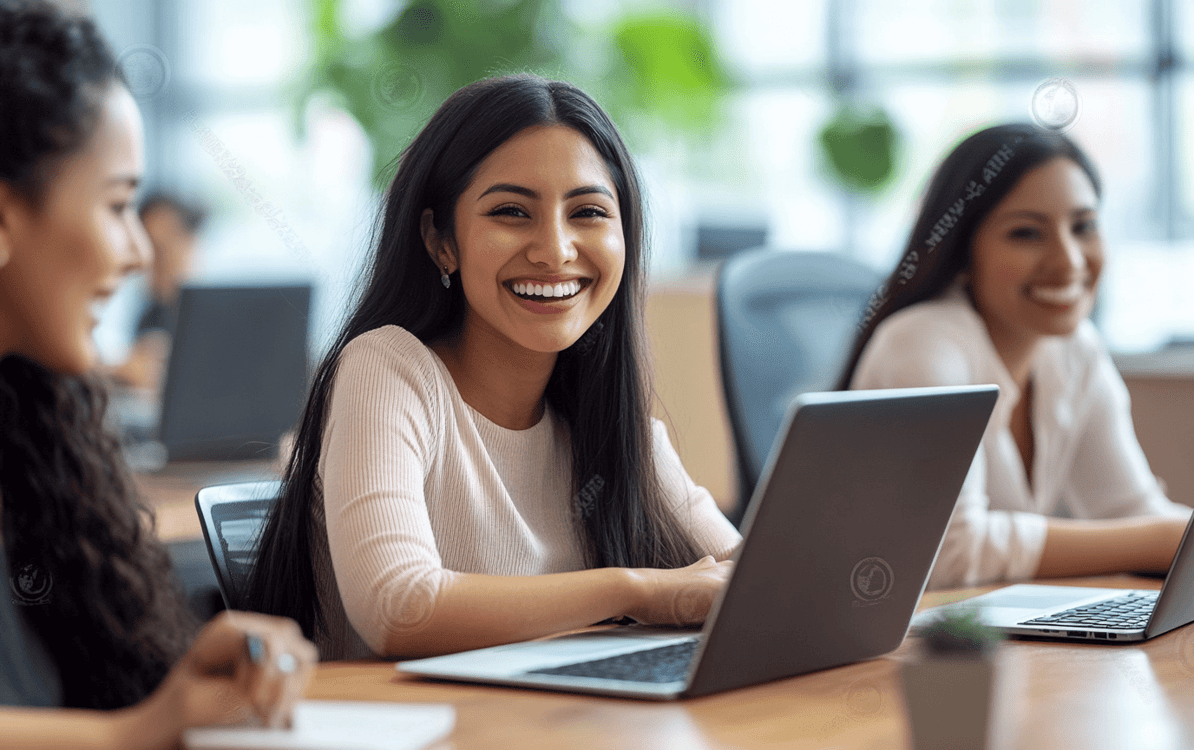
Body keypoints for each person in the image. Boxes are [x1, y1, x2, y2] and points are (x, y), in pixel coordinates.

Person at [246, 73, 740, 660]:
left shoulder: (611, 419)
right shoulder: (388, 370)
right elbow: (399, 607)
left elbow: (756, 576)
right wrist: (638, 590)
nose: (555, 249)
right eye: (511, 212)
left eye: (587, 212)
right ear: (440, 241)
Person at [0, 3, 315, 747]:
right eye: (117, 206)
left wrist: (170, 677)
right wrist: (134, 731)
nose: (139, 252)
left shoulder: (32, 424)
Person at [837, 123, 1192, 589]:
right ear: (961, 254)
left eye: (1084, 226)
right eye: (1026, 233)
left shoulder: (1075, 348)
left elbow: (1132, 511)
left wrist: (1169, 537)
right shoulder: (922, 344)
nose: (1068, 260)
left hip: (982, 630)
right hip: (889, 642)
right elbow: (945, 553)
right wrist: (1158, 540)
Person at [108, 191, 206, 390]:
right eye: (153, 246)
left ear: (193, 242)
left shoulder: (216, 314)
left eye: (166, 246)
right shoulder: (152, 317)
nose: (157, 261)